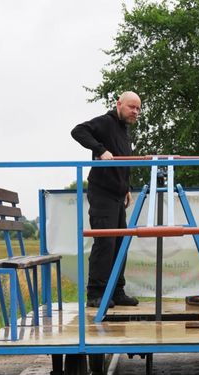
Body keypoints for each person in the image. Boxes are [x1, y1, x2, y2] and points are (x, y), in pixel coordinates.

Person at [71, 91, 143, 307]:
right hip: (102, 194)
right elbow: (78, 131)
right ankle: (95, 294)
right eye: (132, 107)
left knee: (121, 243)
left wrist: (126, 187)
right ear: (119, 104)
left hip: (118, 195)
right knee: (105, 242)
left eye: (138, 109)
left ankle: (116, 291)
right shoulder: (105, 122)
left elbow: (122, 162)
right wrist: (100, 150)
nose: (136, 112)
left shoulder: (123, 131)